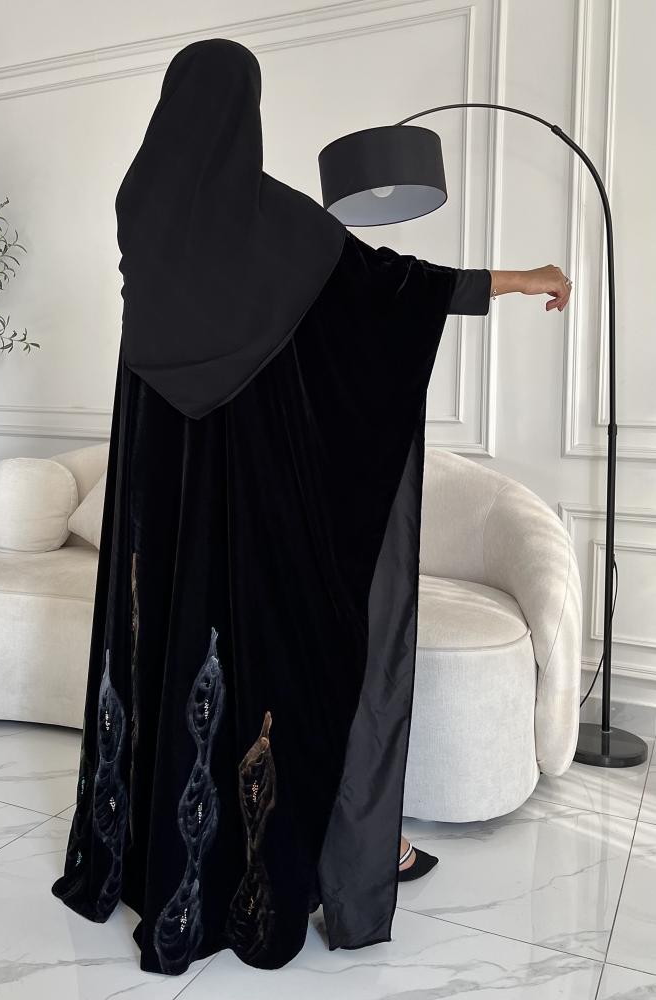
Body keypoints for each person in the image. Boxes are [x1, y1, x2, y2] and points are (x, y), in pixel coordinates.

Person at [50, 37, 573, 977]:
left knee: (162, 659)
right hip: (253, 522)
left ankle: (149, 862)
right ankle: (325, 852)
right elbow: (391, 288)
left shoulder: (140, 208)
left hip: (153, 522)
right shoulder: (273, 222)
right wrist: (516, 279)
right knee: (297, 663)